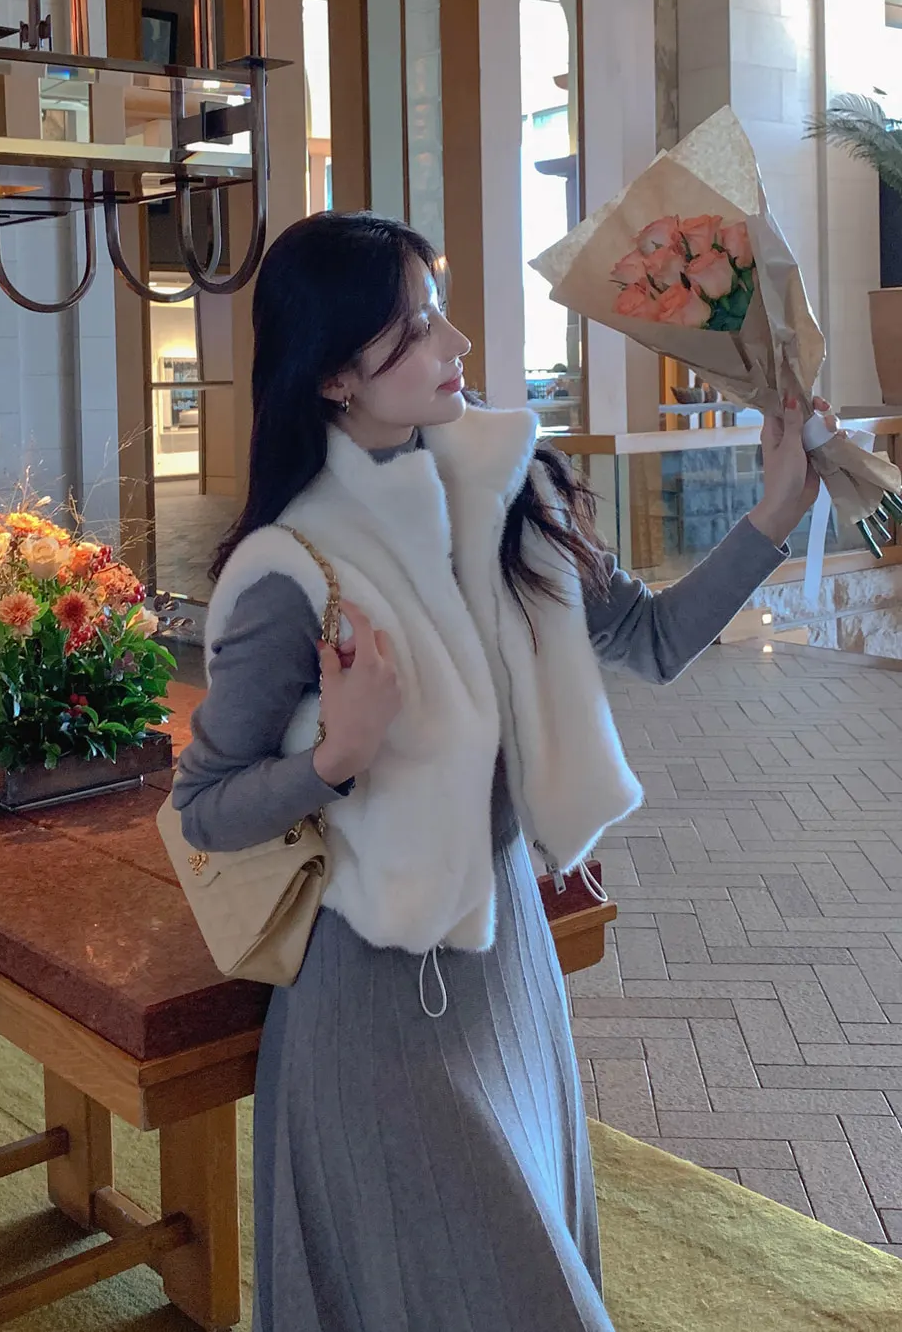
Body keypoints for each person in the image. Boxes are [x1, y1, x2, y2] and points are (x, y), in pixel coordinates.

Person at [171, 211, 830, 1332]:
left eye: (440, 313)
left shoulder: (508, 491)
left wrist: (774, 514)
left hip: (510, 963)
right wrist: (338, 755)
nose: (457, 343)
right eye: (416, 328)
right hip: (375, 1005)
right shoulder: (296, 568)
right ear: (334, 376)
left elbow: (651, 640)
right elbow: (205, 810)